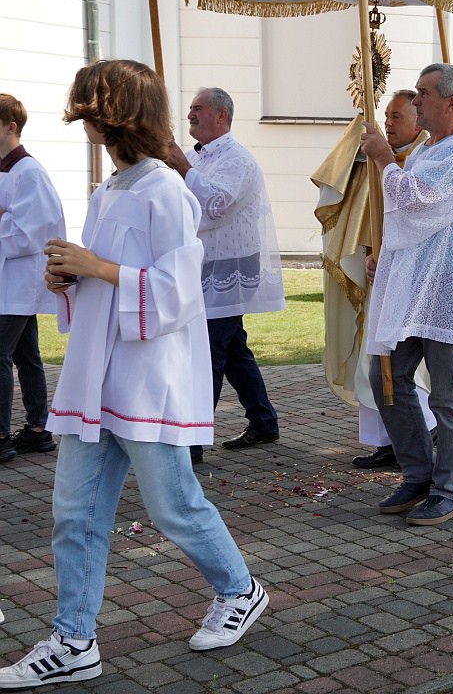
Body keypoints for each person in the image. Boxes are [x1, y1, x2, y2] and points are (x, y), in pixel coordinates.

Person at [0, 60, 268, 690]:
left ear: (116, 114)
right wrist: (67, 278)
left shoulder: (168, 191)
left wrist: (96, 265)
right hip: (97, 378)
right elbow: (107, 279)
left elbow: (178, 294)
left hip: (150, 378)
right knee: (74, 512)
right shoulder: (111, 190)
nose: (83, 121)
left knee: (174, 507)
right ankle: (74, 639)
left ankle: (239, 589)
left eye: (90, 110)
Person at [360, 62, 453, 526]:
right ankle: (418, 474)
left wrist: (384, 160)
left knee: (447, 397)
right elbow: (411, 222)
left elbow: (420, 200)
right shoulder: (427, 151)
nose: (415, 101)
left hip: (450, 293)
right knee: (388, 382)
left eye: (423, 93)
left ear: (451, 102)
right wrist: (387, 254)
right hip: (412, 288)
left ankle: (449, 489)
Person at [165, 87, 284, 464]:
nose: (190, 115)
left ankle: (194, 441)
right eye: (189, 110)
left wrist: (182, 170)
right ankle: (263, 420)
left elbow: (215, 207)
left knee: (209, 350)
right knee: (232, 348)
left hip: (230, 264)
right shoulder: (190, 155)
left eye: (197, 109)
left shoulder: (238, 160)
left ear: (221, 115)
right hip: (202, 262)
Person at [350, 90, 430, 470]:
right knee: (377, 366)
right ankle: (388, 441)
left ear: (418, 120)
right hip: (387, 277)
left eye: (396, 117)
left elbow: (417, 217)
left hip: (420, 287)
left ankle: (419, 443)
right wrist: (374, 256)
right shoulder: (382, 159)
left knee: (411, 374)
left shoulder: (424, 160)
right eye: (386, 115)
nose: (389, 123)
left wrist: (383, 159)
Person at [0, 93, 66, 463]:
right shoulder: (5, 170)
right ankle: (38, 430)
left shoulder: (29, 172)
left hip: (19, 280)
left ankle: (2, 436)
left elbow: (31, 233)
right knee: (27, 355)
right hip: (10, 281)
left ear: (11, 127)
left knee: (1, 354)